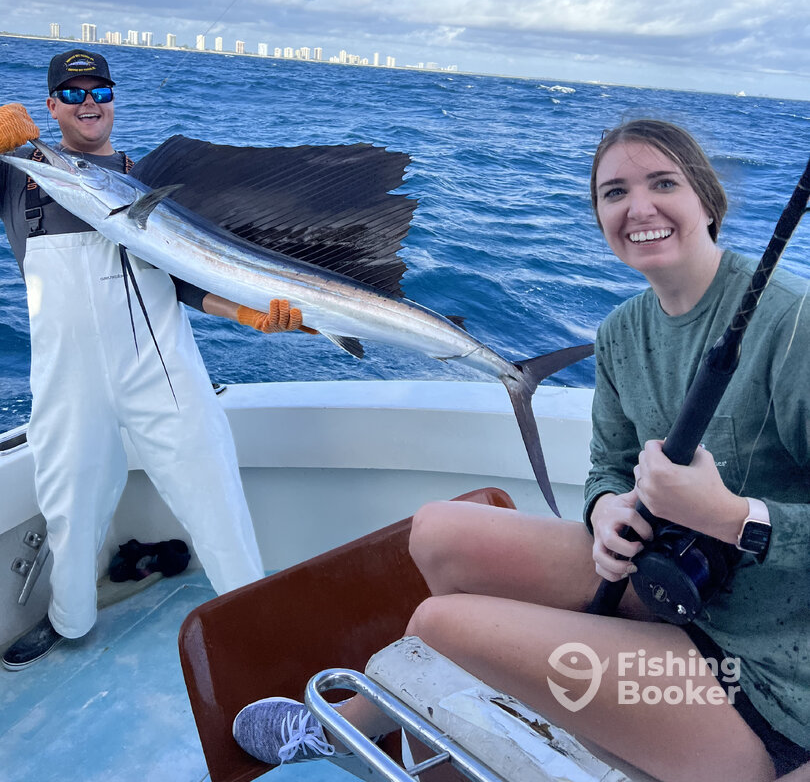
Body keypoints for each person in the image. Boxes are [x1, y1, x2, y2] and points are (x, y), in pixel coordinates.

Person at [231, 119, 810, 781]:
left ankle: (338, 733)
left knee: (438, 626)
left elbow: (737, 520)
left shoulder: (793, 324)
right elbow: (608, 467)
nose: (639, 207)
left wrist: (735, 519)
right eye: (614, 192)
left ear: (708, 200)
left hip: (770, 680)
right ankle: (489, 710)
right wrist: (604, 512)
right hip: (675, 587)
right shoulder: (622, 331)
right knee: (438, 532)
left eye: (663, 183)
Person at [0, 49, 312, 670]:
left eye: (100, 90)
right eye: (74, 93)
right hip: (68, 379)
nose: (90, 102)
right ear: (51, 106)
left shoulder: (144, 179)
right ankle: (69, 621)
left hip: (160, 367)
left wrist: (248, 313)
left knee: (214, 492)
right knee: (70, 505)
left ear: (114, 100)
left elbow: (187, 278)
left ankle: (258, 629)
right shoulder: (17, 176)